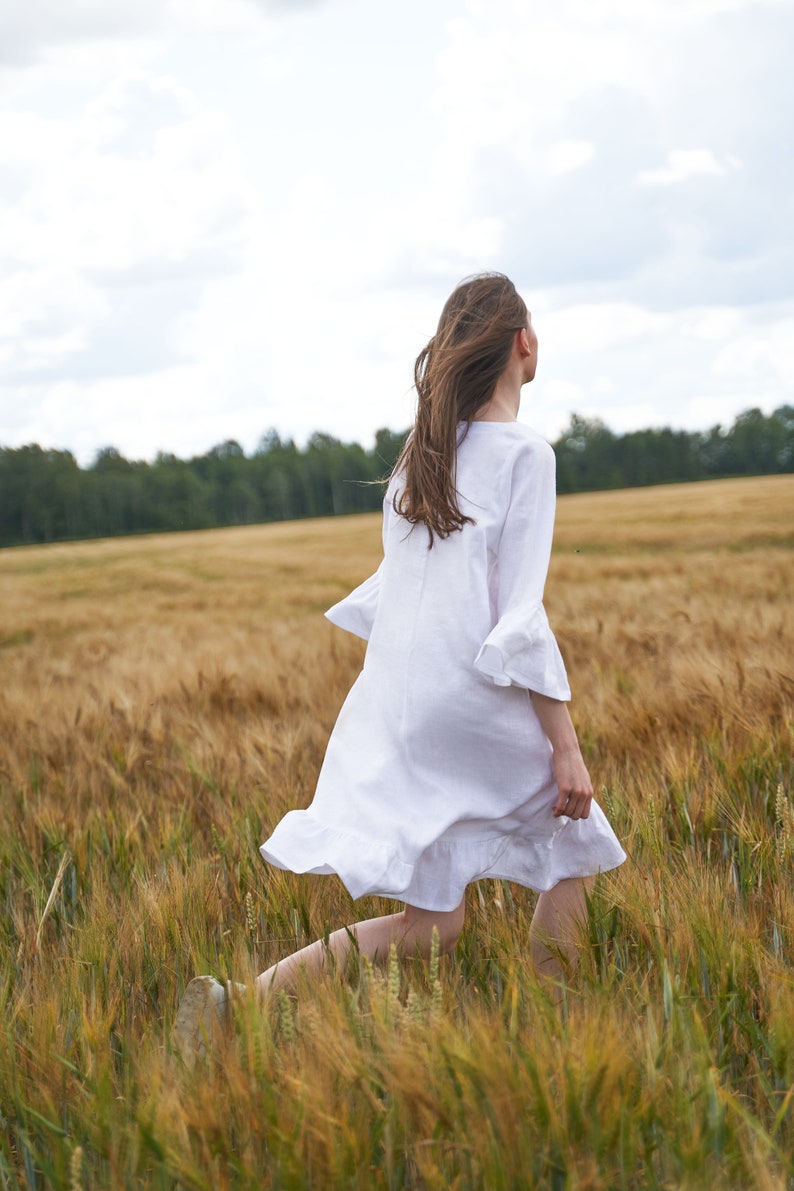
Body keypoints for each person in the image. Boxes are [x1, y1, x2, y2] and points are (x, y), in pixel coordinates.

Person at [174, 272, 626, 1059]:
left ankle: (237, 1003)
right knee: (575, 838)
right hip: (474, 700)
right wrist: (565, 744)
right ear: (525, 344)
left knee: (434, 925)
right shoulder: (526, 453)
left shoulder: (417, 464)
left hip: (404, 704)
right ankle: (556, 1043)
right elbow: (519, 615)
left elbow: (402, 599)